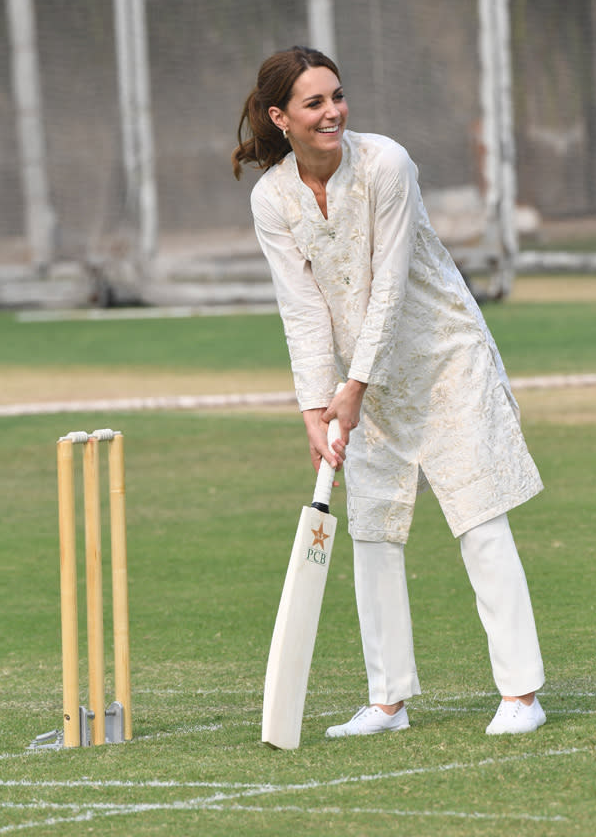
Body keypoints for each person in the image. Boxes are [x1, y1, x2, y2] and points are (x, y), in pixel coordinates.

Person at [232, 45, 546, 737]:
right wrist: (314, 405)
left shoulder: (386, 164)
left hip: (442, 357)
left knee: (478, 517)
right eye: (314, 103)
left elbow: (390, 286)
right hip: (357, 385)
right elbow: (303, 309)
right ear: (280, 116)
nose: (333, 112)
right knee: (372, 531)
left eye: (337, 96)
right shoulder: (272, 199)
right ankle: (386, 702)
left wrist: (352, 386)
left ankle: (521, 693)